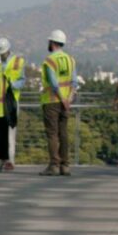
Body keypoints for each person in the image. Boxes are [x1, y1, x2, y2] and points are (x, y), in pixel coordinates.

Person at [40, 29, 75, 176]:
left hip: (52, 101)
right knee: (64, 133)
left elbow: (54, 84)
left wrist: (61, 98)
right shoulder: (70, 59)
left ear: (52, 42)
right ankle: (65, 165)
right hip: (66, 101)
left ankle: (54, 165)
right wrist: (68, 99)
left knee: (52, 134)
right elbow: (74, 82)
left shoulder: (50, 60)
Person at [0, 38, 23, 172]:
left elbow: (22, 80)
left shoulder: (18, 62)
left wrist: (13, 85)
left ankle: (9, 161)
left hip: (12, 100)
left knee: (10, 131)